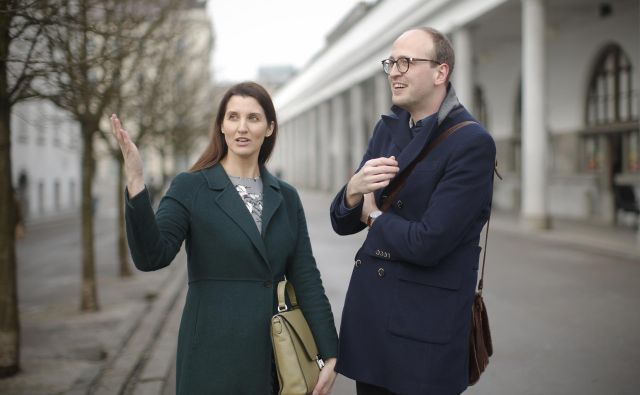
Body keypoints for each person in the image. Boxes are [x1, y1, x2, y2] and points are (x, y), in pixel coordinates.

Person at [110, 81, 338, 394]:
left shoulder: (286, 196)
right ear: (221, 125)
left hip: (276, 359)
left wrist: (329, 351)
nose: (242, 128)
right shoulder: (190, 187)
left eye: (253, 118)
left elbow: (306, 277)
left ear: (269, 128)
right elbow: (152, 256)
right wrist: (136, 182)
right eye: (233, 117)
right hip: (212, 358)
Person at [329, 27, 496, 395]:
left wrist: (373, 217)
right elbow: (341, 222)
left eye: (406, 62)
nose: (394, 71)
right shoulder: (387, 129)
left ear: (441, 72)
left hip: (424, 334)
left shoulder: (471, 143)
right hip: (373, 322)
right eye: (391, 62)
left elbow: (428, 242)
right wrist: (354, 191)